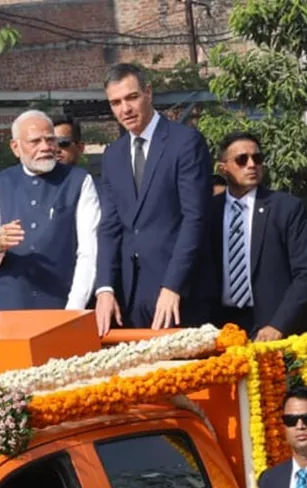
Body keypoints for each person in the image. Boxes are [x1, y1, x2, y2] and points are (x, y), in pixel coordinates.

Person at [93, 63, 211, 334]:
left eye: (131, 97)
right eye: (115, 102)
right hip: (130, 297)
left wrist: (173, 285)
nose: (125, 109)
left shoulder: (185, 142)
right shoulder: (113, 155)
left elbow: (195, 219)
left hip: (179, 295)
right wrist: (105, 288)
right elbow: (110, 226)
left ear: (148, 92)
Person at [0, 109, 99, 311]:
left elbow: (89, 252)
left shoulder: (78, 181)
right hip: (12, 307)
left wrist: (74, 309)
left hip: (62, 304)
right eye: (35, 142)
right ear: (16, 147)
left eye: (50, 140)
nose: (45, 147)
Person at [208, 131, 307, 341]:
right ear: (223, 168)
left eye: (257, 158)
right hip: (225, 329)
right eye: (242, 160)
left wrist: (279, 325)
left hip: (278, 329)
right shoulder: (209, 212)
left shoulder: (286, 208)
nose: (251, 165)